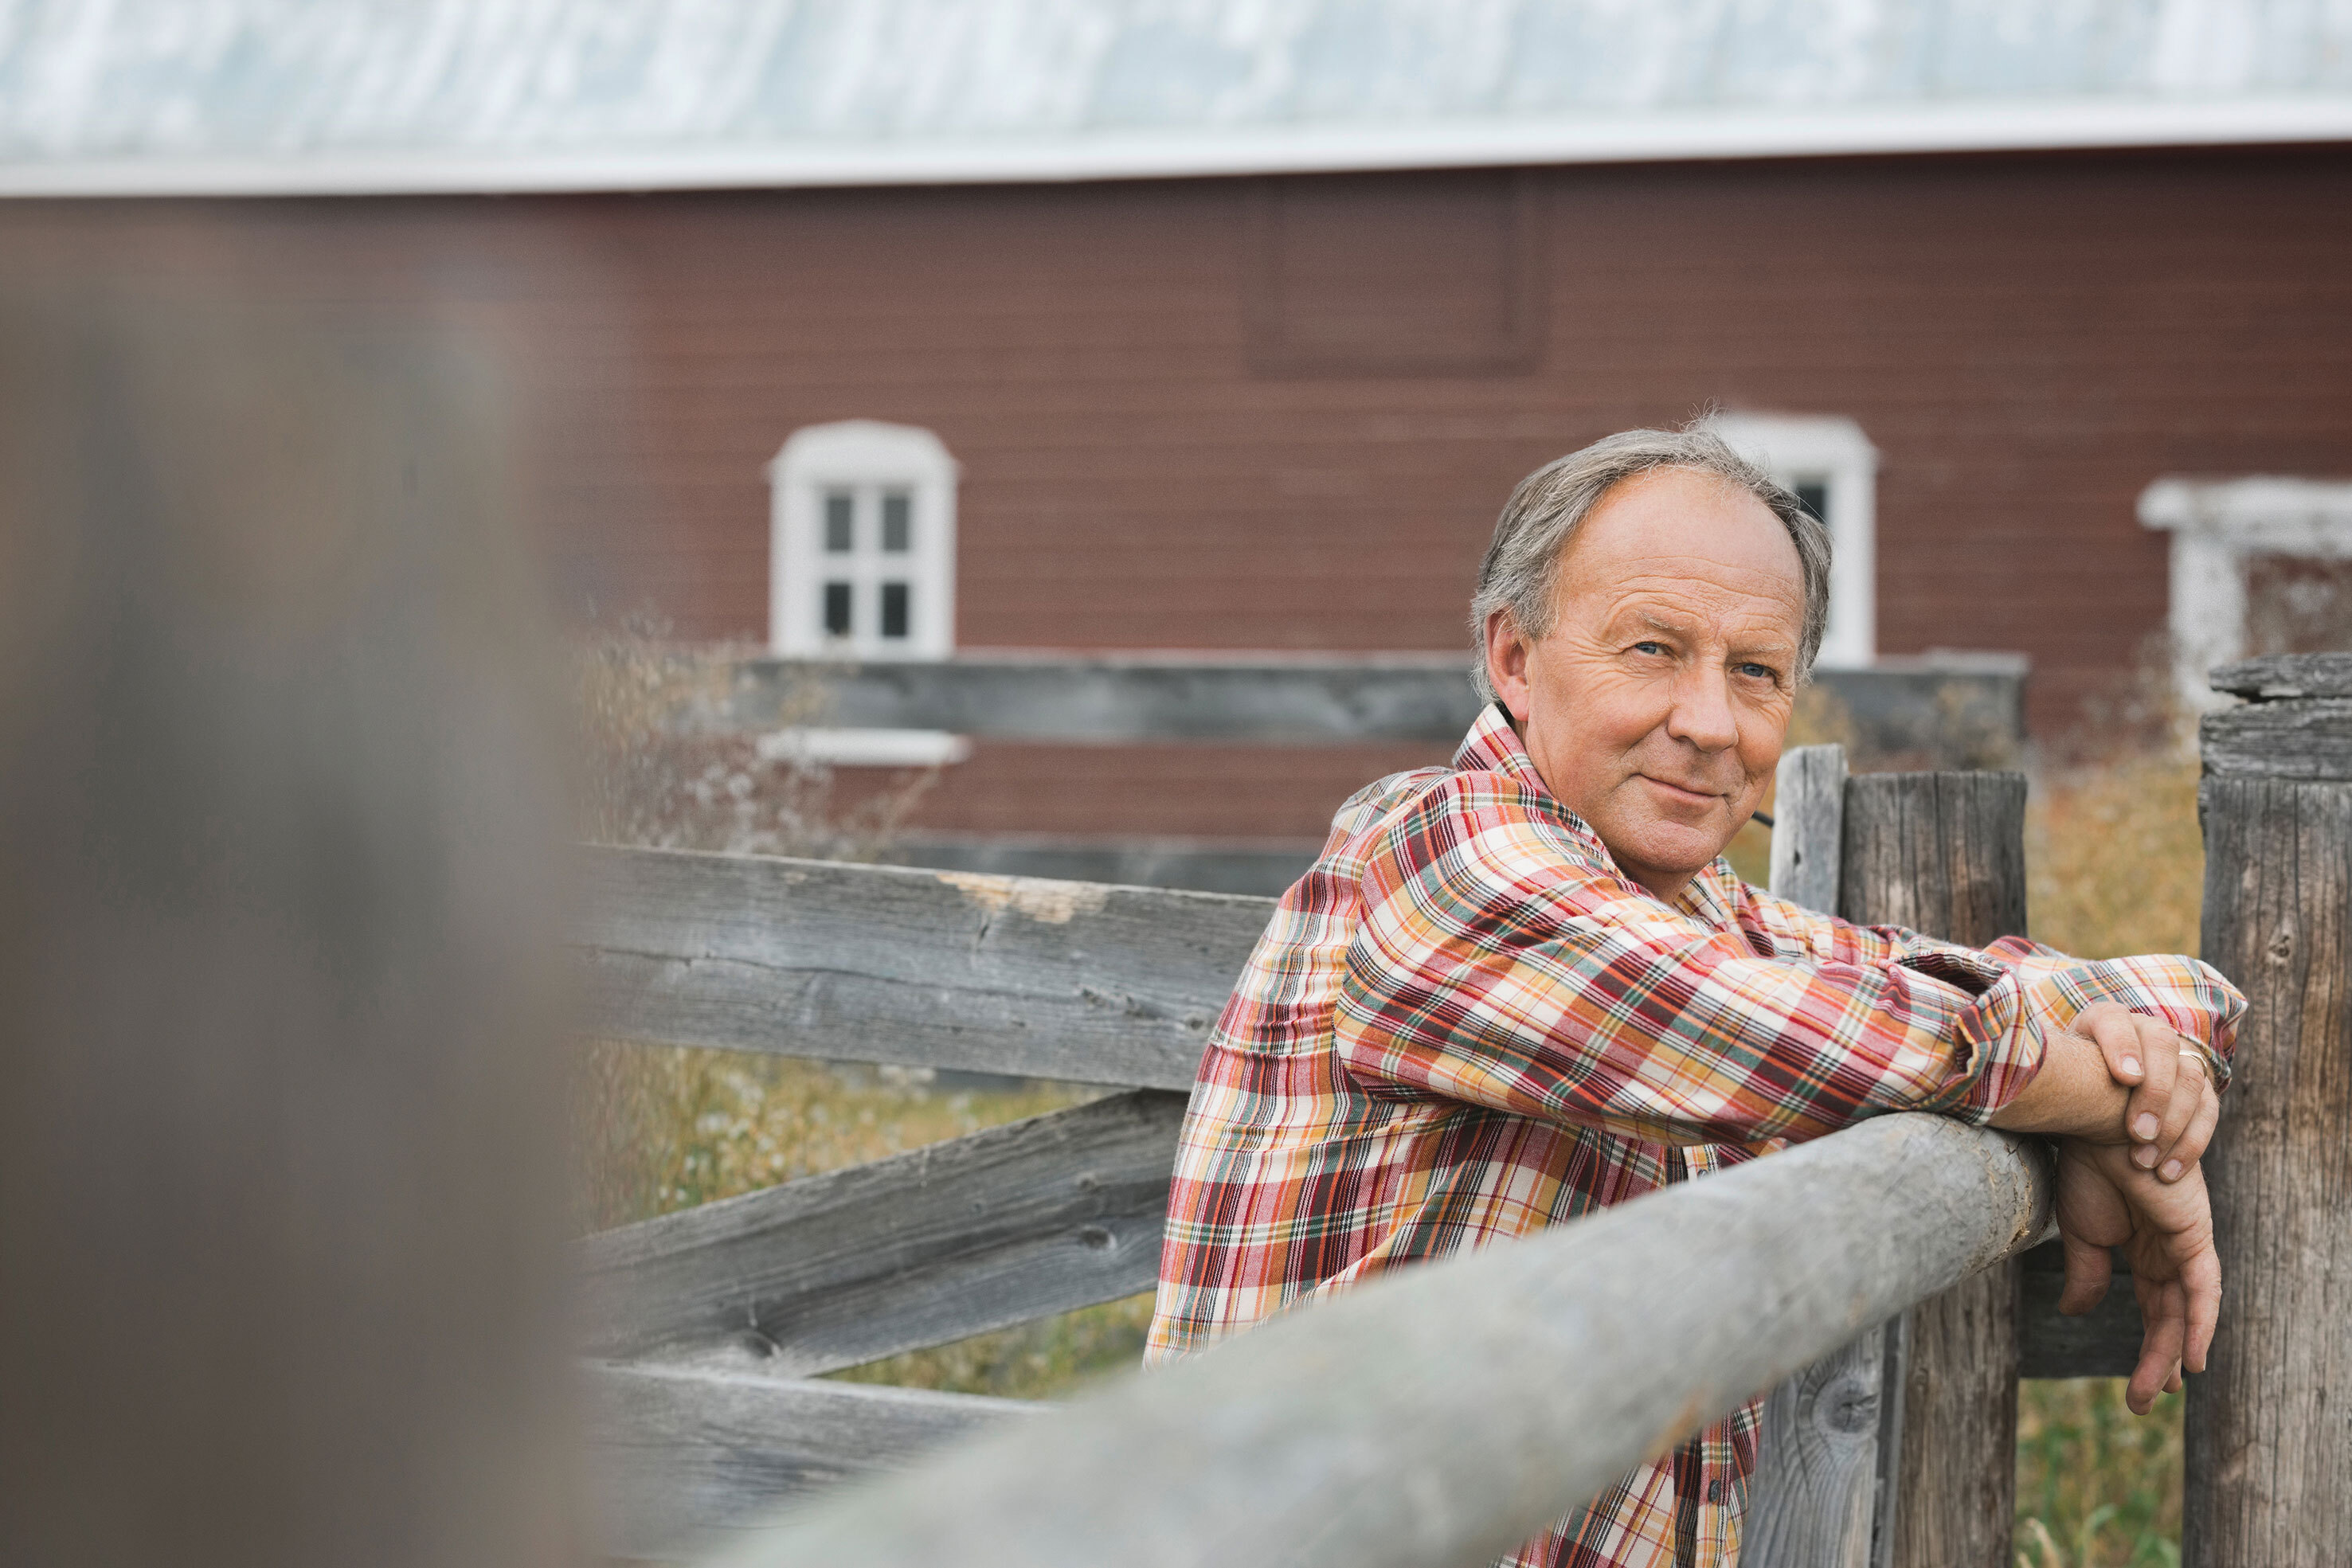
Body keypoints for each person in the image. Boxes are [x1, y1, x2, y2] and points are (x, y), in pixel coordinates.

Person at [1142, 425, 2242, 1568]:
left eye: (1755, 670)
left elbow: (2167, 991)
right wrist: (2083, 1096)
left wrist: (2141, 1071)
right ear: (1513, 659)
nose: (1711, 722)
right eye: (1653, 649)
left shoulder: (1708, 919)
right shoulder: (1435, 850)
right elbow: (1788, 1033)